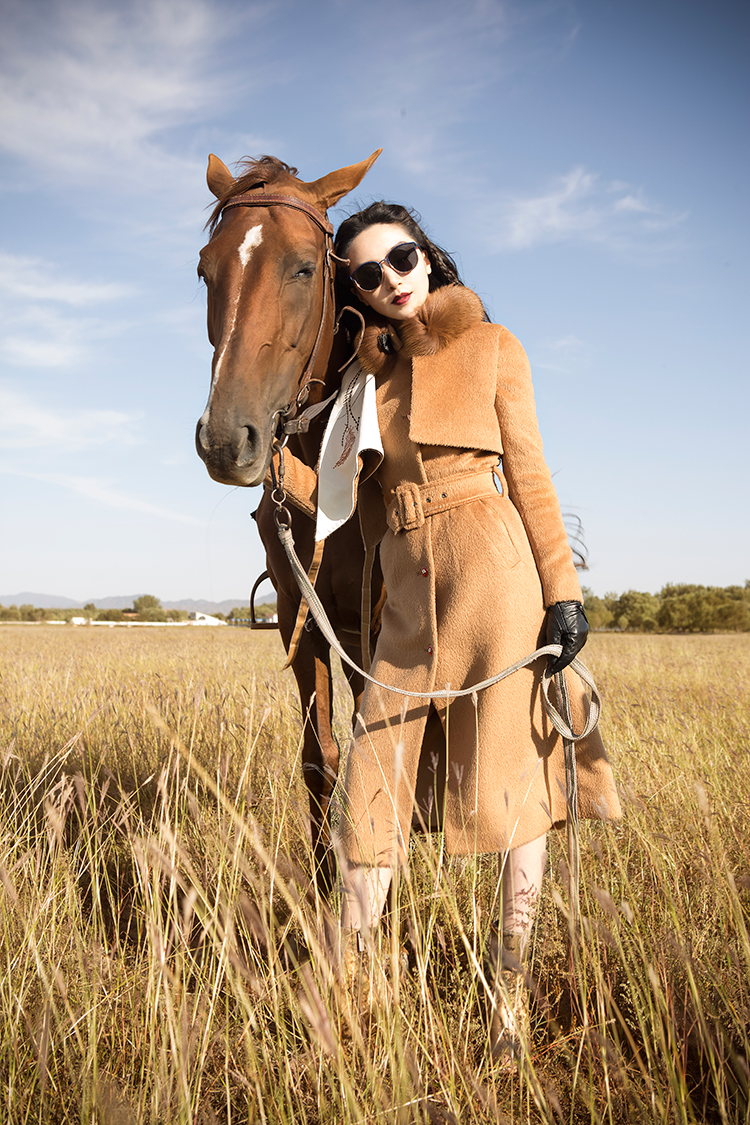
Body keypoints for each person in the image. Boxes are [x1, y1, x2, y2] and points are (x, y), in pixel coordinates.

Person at [272, 201, 621, 1062]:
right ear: (355, 289)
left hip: (493, 576)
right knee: (369, 788)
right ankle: (340, 1002)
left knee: (515, 794)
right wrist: (271, 470)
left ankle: (508, 1004)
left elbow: (532, 477)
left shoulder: (495, 346)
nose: (390, 278)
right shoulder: (365, 381)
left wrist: (562, 593)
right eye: (367, 272)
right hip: (403, 596)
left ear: (427, 256)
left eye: (401, 258)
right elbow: (338, 504)